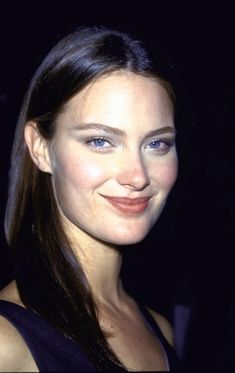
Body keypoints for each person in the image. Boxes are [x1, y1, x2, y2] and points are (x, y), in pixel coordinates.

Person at [0, 26, 181, 371]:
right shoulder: (7, 342)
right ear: (40, 148)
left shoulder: (160, 331)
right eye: (100, 141)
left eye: (157, 144)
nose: (137, 175)